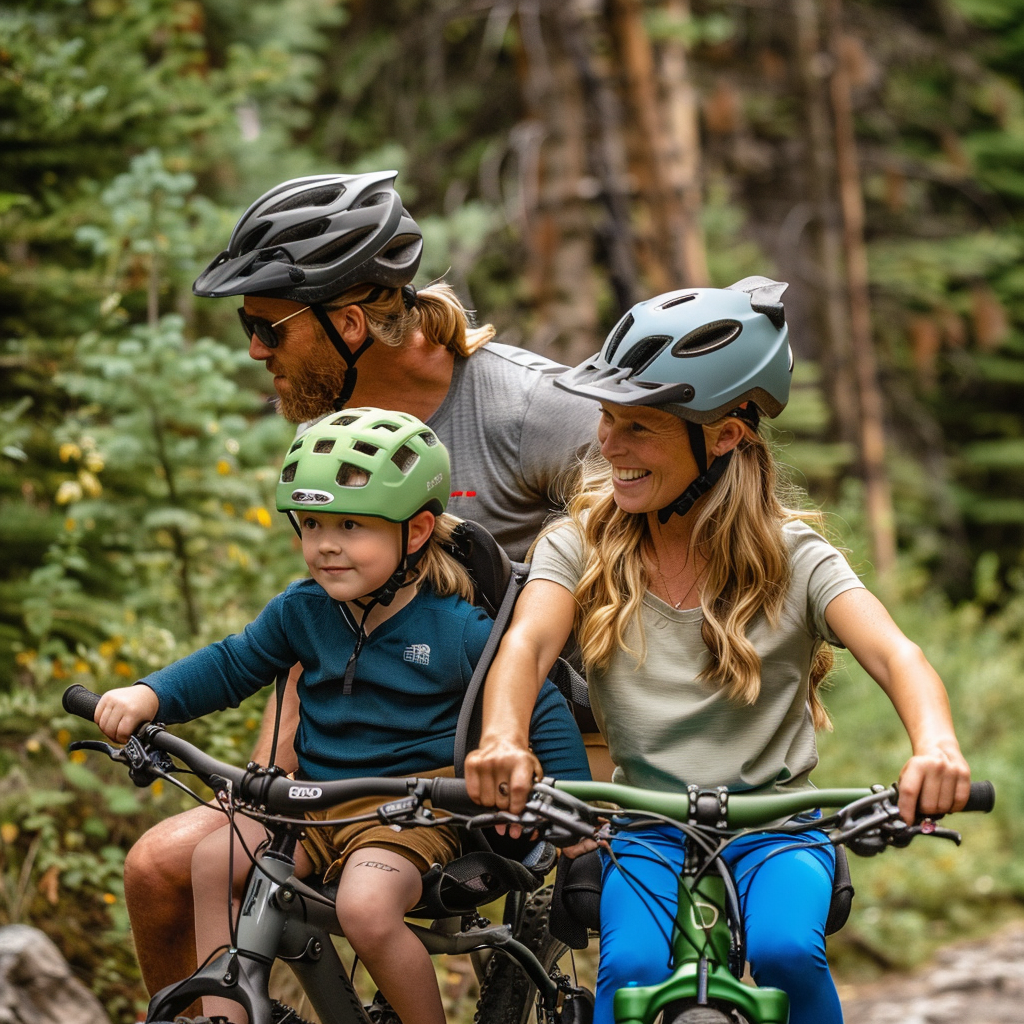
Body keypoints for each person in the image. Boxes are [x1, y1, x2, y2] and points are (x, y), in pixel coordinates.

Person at [125, 170, 599, 999]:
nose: (254, 351)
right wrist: (268, 790)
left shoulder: (532, 411)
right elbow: (317, 627)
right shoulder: (330, 431)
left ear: (350, 322)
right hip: (377, 751)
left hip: (562, 733)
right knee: (163, 867)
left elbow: (682, 555)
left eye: (267, 327)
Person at [464, 278, 973, 1024]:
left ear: (726, 436)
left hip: (779, 828)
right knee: (631, 967)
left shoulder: (795, 556)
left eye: (638, 427)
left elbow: (897, 653)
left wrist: (936, 747)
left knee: (785, 953)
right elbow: (528, 643)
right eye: (606, 419)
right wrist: (503, 737)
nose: (608, 445)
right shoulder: (579, 543)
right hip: (646, 827)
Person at [94, 410, 590, 1024]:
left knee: (366, 907)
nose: (326, 544)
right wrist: (151, 695)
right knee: (213, 861)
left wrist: (568, 811)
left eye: (352, 525)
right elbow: (232, 663)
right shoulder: (302, 611)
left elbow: (539, 705)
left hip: (409, 812)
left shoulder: (455, 628)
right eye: (312, 525)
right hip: (305, 806)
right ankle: (227, 1016)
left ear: (415, 533)